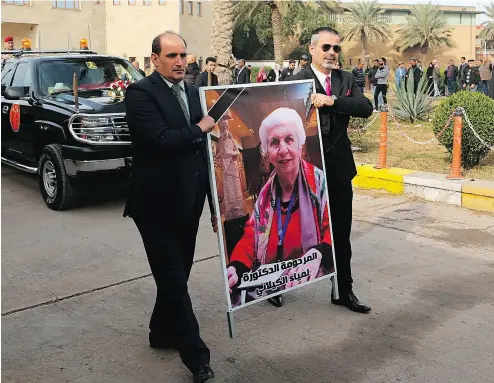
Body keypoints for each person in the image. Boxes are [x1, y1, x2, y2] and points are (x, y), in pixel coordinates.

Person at [124, 31, 218, 383]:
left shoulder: (195, 93)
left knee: (177, 275)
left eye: (184, 55)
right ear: (155, 59)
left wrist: (214, 205)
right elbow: (159, 140)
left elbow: (203, 155)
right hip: (155, 207)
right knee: (175, 281)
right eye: (172, 56)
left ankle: (159, 333)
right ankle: (197, 359)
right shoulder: (140, 94)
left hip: (189, 202)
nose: (180, 62)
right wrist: (200, 128)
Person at [290, 26, 373, 313]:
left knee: (340, 233)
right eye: (326, 48)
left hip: (337, 168)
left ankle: (343, 291)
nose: (331, 53)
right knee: (293, 231)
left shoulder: (345, 78)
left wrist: (333, 101)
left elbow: (364, 107)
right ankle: (277, 287)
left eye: (336, 48)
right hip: (303, 170)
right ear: (312, 49)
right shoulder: (295, 80)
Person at [226, 107, 334, 308]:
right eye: (274, 142)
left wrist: (321, 252)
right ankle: (277, 289)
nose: (283, 149)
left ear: (301, 146)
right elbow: (252, 236)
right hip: (272, 276)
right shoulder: (265, 197)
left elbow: (332, 229)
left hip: (310, 272)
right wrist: (237, 265)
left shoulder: (320, 183)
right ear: (267, 154)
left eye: (289, 140)